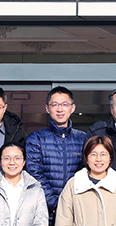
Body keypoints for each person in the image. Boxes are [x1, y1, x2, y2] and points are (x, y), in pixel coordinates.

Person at [25, 86, 88, 219]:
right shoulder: (36, 138)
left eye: (65, 104)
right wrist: (55, 204)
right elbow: (34, 173)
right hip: (44, 211)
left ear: (73, 108)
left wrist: (71, 204)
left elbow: (87, 173)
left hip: (76, 210)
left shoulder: (83, 138)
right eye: (54, 104)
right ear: (47, 108)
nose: (60, 109)